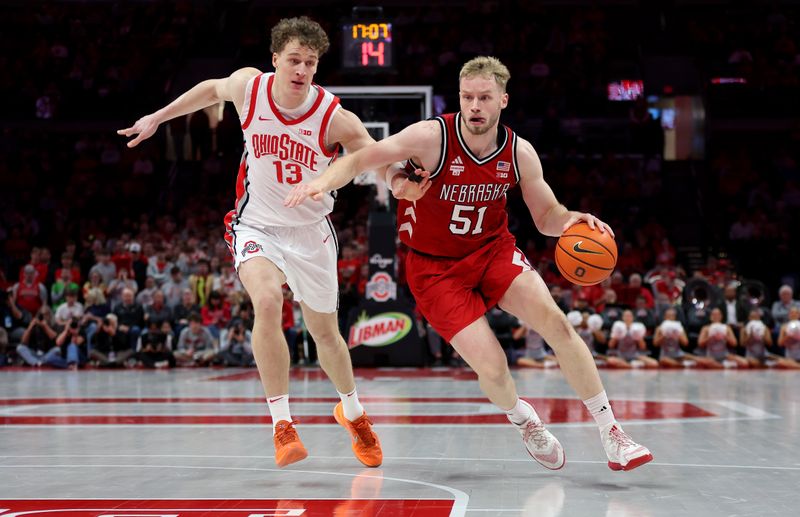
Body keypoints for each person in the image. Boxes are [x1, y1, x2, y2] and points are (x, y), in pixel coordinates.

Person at [286, 56, 652, 471]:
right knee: (494, 369)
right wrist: (320, 182)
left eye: (484, 98)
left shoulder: (520, 153)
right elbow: (361, 158)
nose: (475, 106)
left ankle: (612, 433)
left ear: (503, 101)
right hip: (434, 269)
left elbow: (547, 216)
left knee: (557, 323)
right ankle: (523, 418)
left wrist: (572, 220)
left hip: (491, 251)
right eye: (467, 97)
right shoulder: (430, 137)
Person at [118, 16, 386, 469]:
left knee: (326, 335)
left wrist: (395, 177)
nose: (302, 70)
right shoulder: (250, 88)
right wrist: (158, 118)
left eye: (311, 63)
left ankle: (353, 412)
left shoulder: (333, 115)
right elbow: (209, 90)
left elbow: (373, 155)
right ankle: (282, 424)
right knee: (265, 300)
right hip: (256, 224)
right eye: (294, 60)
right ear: (276, 59)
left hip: (311, 232)